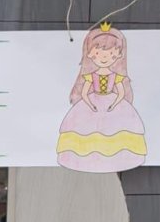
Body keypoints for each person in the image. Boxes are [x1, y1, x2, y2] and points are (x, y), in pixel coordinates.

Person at [56, 20, 147, 171]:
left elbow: (121, 92)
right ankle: (88, 160)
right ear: (90, 54)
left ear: (118, 55)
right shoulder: (90, 76)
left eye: (111, 54)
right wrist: (90, 104)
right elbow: (84, 92)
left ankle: (116, 160)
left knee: (115, 130)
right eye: (98, 53)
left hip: (113, 102)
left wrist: (114, 104)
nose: (104, 58)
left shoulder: (116, 76)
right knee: (86, 130)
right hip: (92, 102)